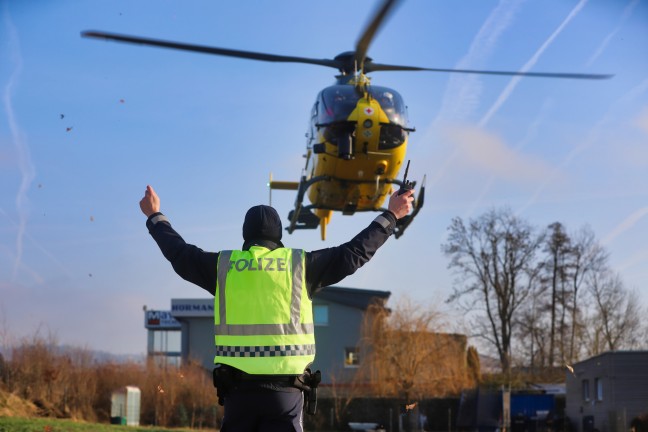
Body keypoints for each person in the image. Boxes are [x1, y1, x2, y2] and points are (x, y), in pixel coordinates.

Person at [139, 184, 413, 432]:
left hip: (238, 395)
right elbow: (353, 253)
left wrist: (155, 216)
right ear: (278, 236)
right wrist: (391, 216)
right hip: (286, 396)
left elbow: (180, 253)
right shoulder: (300, 266)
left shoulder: (224, 268)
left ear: (245, 235)